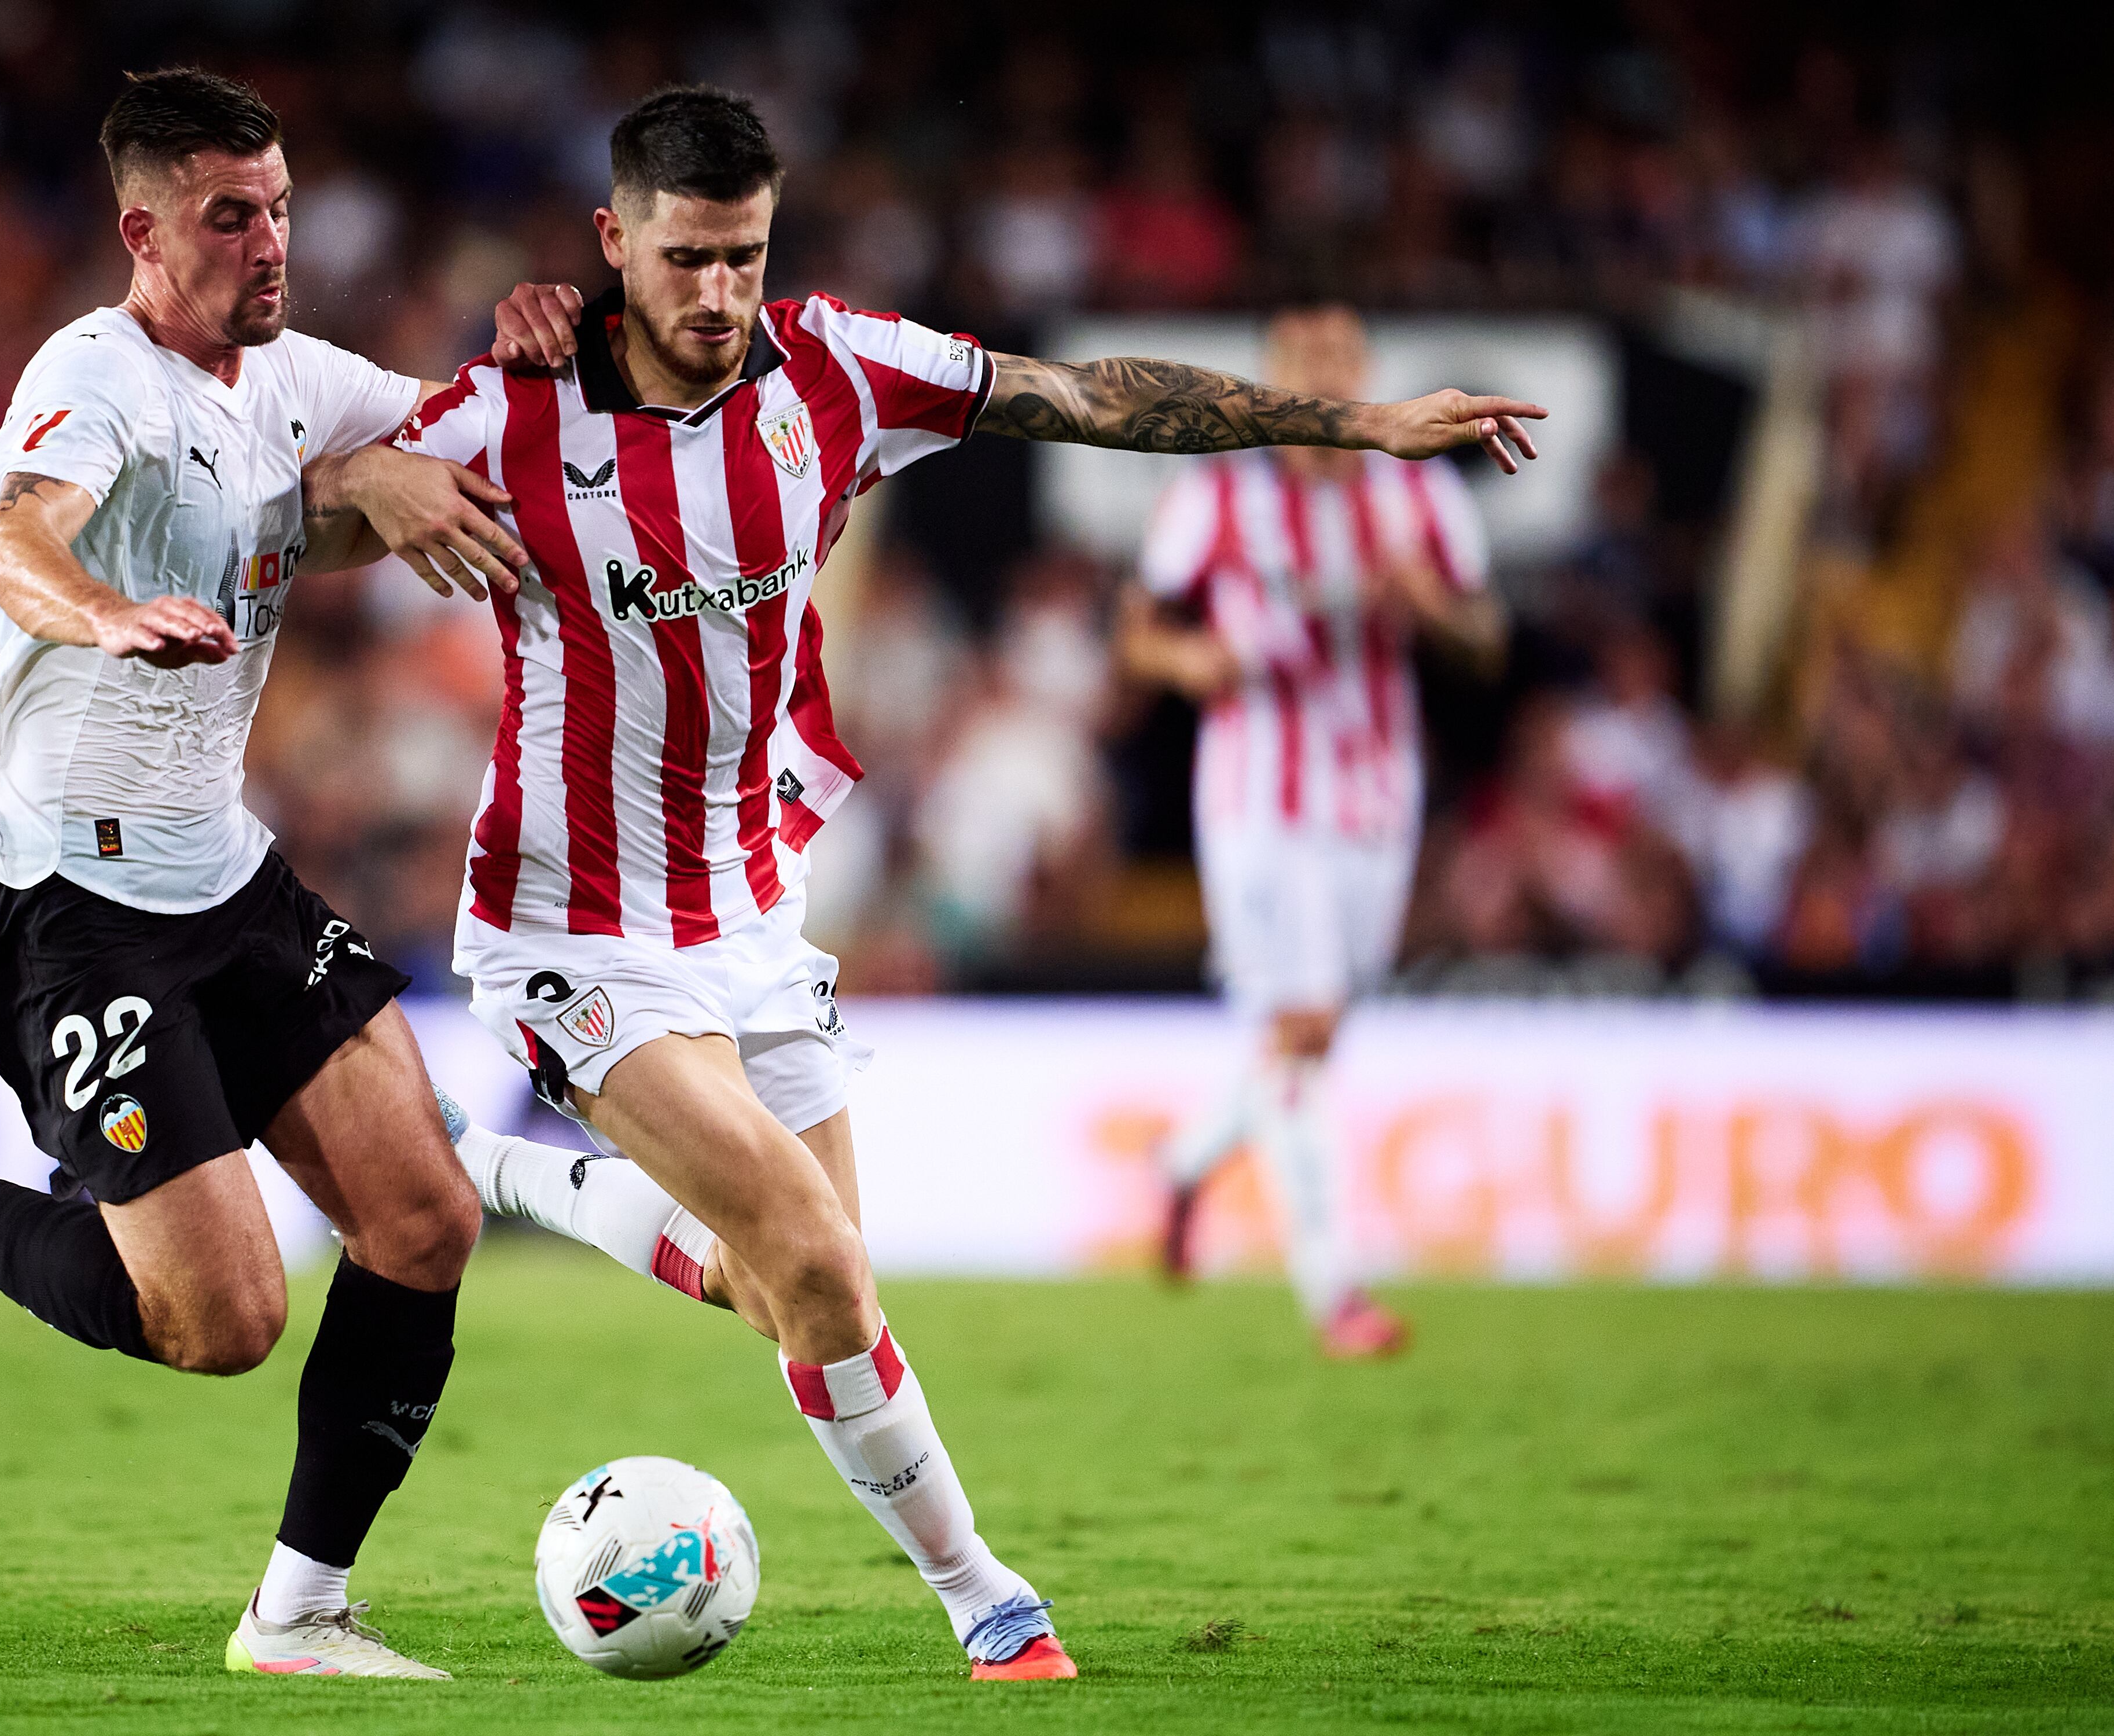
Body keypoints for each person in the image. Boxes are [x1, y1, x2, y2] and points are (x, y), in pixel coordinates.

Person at [327, 89, 1542, 1680]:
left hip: (753, 918)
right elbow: (294, 518)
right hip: (573, 934)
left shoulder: (836, 370)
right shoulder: (509, 411)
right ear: (614, 241)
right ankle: (988, 1599)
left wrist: (1356, 425)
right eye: (686, 258)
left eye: (745, 256)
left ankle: (500, 1173)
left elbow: (1091, 397)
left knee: (803, 1298)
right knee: (815, 1259)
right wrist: (367, 479)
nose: (719, 294)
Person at [0, 68, 565, 1681]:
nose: (269, 241)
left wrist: (538, 341)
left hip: (225, 875)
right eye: (228, 216)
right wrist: (103, 613)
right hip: (70, 910)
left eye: (278, 208)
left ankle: (298, 1616)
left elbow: (470, 430)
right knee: (224, 1324)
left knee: (423, 1219)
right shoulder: (97, 372)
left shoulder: (295, 378)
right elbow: (12, 540)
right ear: (143, 232)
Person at [1117, 306, 1506, 1356]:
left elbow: (1487, 640)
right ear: (1276, 375)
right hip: (1258, 795)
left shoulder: (1419, 492)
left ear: (1366, 368)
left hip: (1378, 796)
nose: (1327, 376)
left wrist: (1431, 606)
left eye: (1342, 357)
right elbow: (1138, 633)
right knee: (1299, 1028)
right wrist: (1191, 662)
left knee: (1317, 1034)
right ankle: (1337, 1293)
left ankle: (1184, 1163)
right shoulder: (1217, 495)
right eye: (1307, 360)